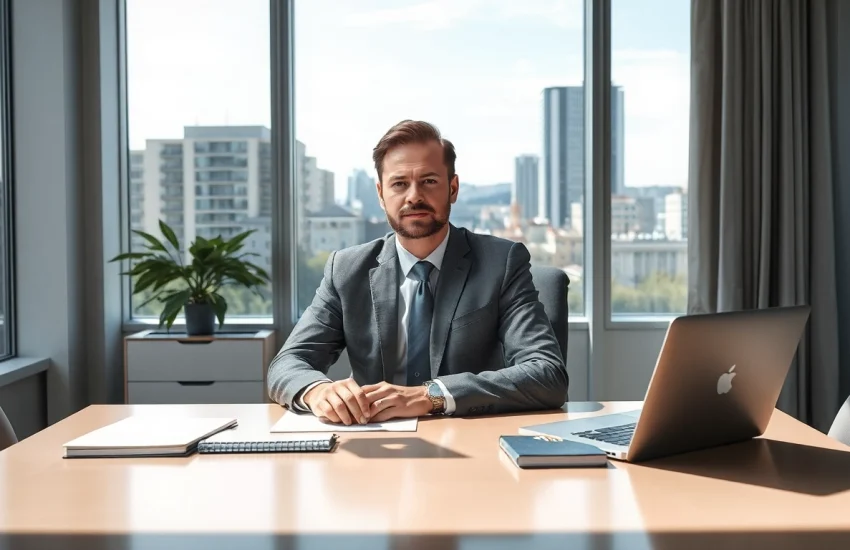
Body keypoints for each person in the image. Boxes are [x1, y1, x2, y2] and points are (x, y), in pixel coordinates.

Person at [267, 120, 568, 424]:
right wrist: (317, 391)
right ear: (381, 194)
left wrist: (430, 396)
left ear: (452, 188)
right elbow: (287, 364)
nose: (413, 196)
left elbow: (547, 373)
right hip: (376, 444)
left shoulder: (500, 263)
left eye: (429, 181)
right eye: (399, 184)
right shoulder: (347, 269)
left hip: (470, 441)